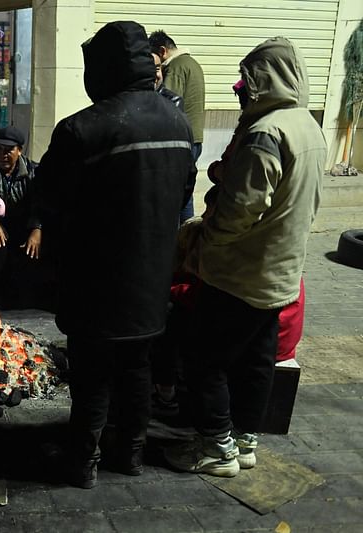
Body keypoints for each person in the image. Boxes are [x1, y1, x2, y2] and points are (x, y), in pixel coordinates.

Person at [35, 21, 195, 488]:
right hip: (151, 283)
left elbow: (49, 199)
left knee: (91, 375)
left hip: (95, 283)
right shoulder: (177, 123)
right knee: (136, 369)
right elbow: (183, 191)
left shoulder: (83, 129)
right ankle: (130, 454)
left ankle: (83, 461)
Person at [164, 37, 325, 477]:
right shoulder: (306, 126)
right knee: (257, 362)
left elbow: (239, 211)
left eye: (245, 86)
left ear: (264, 82)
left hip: (238, 273)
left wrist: (202, 238)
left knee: (206, 360)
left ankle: (216, 448)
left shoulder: (266, 133)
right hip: (280, 273)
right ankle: (243, 441)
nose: (240, 95)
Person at [0, 126, 49, 307]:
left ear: (19, 150)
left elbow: (39, 203)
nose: (2, 155)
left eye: (8, 151)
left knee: (32, 249)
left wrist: (37, 229)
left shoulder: (33, 171)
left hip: (22, 223)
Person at [149, 30, 205, 222]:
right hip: (195, 136)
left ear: (162, 51)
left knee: (178, 191)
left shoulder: (175, 67)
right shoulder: (192, 63)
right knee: (184, 188)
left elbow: (166, 103)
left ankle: (182, 233)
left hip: (181, 138)